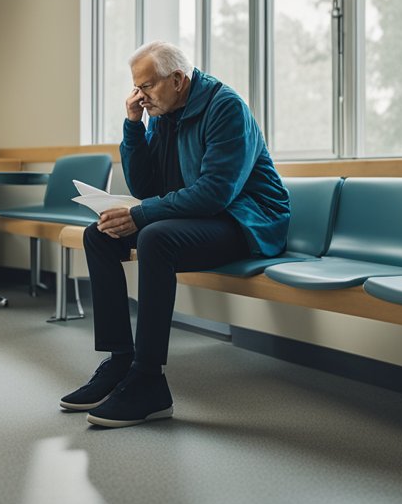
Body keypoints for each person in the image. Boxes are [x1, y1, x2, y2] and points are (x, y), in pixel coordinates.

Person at [60, 41, 290, 427]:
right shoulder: (164, 113)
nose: (140, 96)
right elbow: (147, 184)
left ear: (178, 80)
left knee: (155, 237)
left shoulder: (226, 108)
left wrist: (141, 215)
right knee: (98, 235)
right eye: (136, 88)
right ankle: (120, 362)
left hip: (248, 221)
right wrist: (133, 126)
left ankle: (149, 381)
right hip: (202, 216)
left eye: (146, 87)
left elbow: (216, 192)